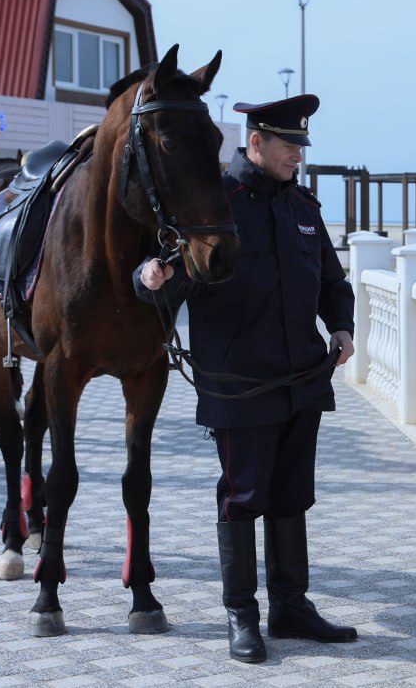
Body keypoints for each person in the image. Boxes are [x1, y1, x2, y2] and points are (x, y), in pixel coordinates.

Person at [133, 94, 357, 664]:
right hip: (238, 384)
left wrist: (342, 328)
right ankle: (242, 615)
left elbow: (333, 280)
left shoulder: (303, 205)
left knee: (292, 497)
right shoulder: (217, 203)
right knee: (243, 498)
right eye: (288, 146)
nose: (297, 157)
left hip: (302, 378)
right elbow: (164, 282)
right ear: (254, 143)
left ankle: (291, 607)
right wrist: (150, 277)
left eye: (301, 146)